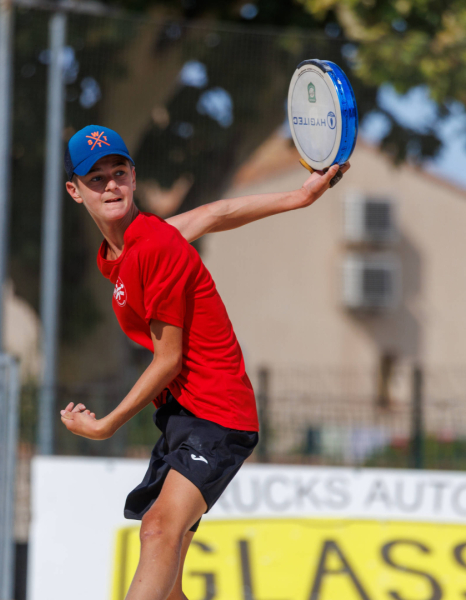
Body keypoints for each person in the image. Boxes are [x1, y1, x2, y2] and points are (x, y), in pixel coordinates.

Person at [60, 125, 350, 600]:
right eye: (95, 178)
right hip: (186, 416)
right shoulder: (126, 250)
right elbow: (215, 212)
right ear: (75, 191)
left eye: (118, 172)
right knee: (168, 582)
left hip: (218, 415)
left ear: (133, 177)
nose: (110, 185)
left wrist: (107, 424)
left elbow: (168, 360)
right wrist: (299, 197)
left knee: (157, 530)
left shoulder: (153, 246)